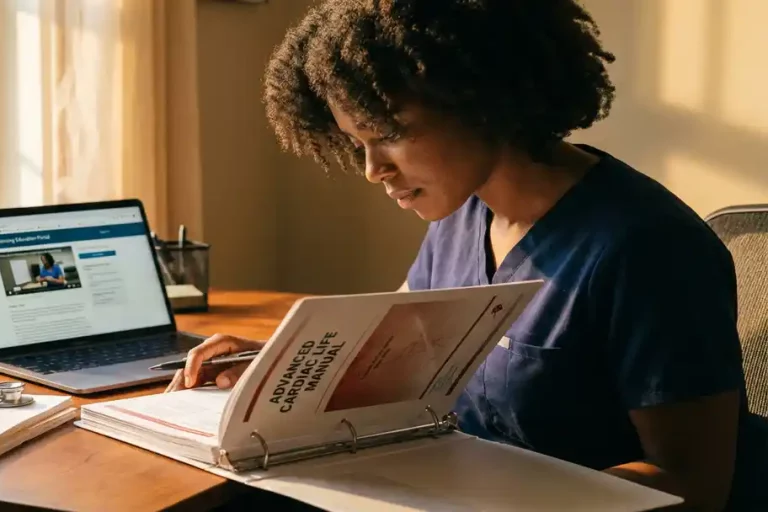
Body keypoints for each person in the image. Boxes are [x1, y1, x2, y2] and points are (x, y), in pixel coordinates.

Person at [165, 1, 766, 510]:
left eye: (390, 134)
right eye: (358, 144)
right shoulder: (461, 217)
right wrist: (279, 373)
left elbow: (692, 486)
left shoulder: (649, 247)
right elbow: (400, 363)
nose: (373, 171)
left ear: (482, 96)